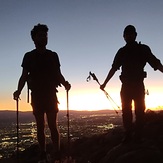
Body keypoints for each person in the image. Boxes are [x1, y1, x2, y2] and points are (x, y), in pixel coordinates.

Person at [13, 24, 71, 162]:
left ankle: (54, 152)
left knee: (51, 125)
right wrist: (18, 90)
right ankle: (45, 152)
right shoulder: (29, 56)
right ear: (34, 38)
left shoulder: (52, 55)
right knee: (41, 126)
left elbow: (58, 74)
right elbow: (24, 75)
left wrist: (64, 83)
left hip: (49, 93)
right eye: (41, 35)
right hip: (39, 94)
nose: (44, 37)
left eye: (45, 35)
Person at [100, 25, 163, 143]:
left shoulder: (134, 50)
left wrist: (104, 84)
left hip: (134, 86)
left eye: (130, 34)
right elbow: (113, 68)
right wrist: (104, 83)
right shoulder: (129, 51)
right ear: (124, 36)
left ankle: (135, 135)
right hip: (130, 86)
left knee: (136, 111)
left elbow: (156, 63)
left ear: (135, 35)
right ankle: (131, 134)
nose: (129, 36)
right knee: (130, 111)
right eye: (127, 34)